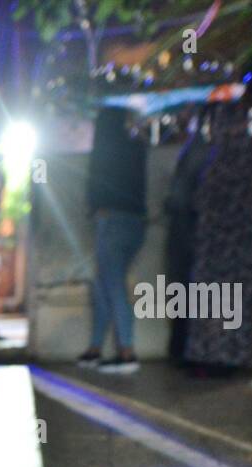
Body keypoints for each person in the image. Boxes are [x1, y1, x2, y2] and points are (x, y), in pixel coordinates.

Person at [79, 106, 147, 374]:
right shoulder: (136, 148)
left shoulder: (104, 151)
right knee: (105, 286)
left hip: (110, 221)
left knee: (112, 287)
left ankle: (126, 352)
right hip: (137, 223)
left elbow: (93, 189)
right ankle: (96, 348)